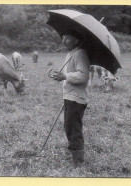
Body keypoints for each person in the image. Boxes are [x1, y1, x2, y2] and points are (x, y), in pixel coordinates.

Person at [53, 30, 90, 167]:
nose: (63, 41)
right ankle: (74, 150)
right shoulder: (71, 53)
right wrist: (62, 75)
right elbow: (71, 73)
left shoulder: (80, 53)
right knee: (68, 126)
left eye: (67, 38)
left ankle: (78, 160)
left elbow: (83, 76)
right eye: (63, 38)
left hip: (76, 97)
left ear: (76, 40)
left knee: (74, 128)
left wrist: (65, 76)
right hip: (70, 95)